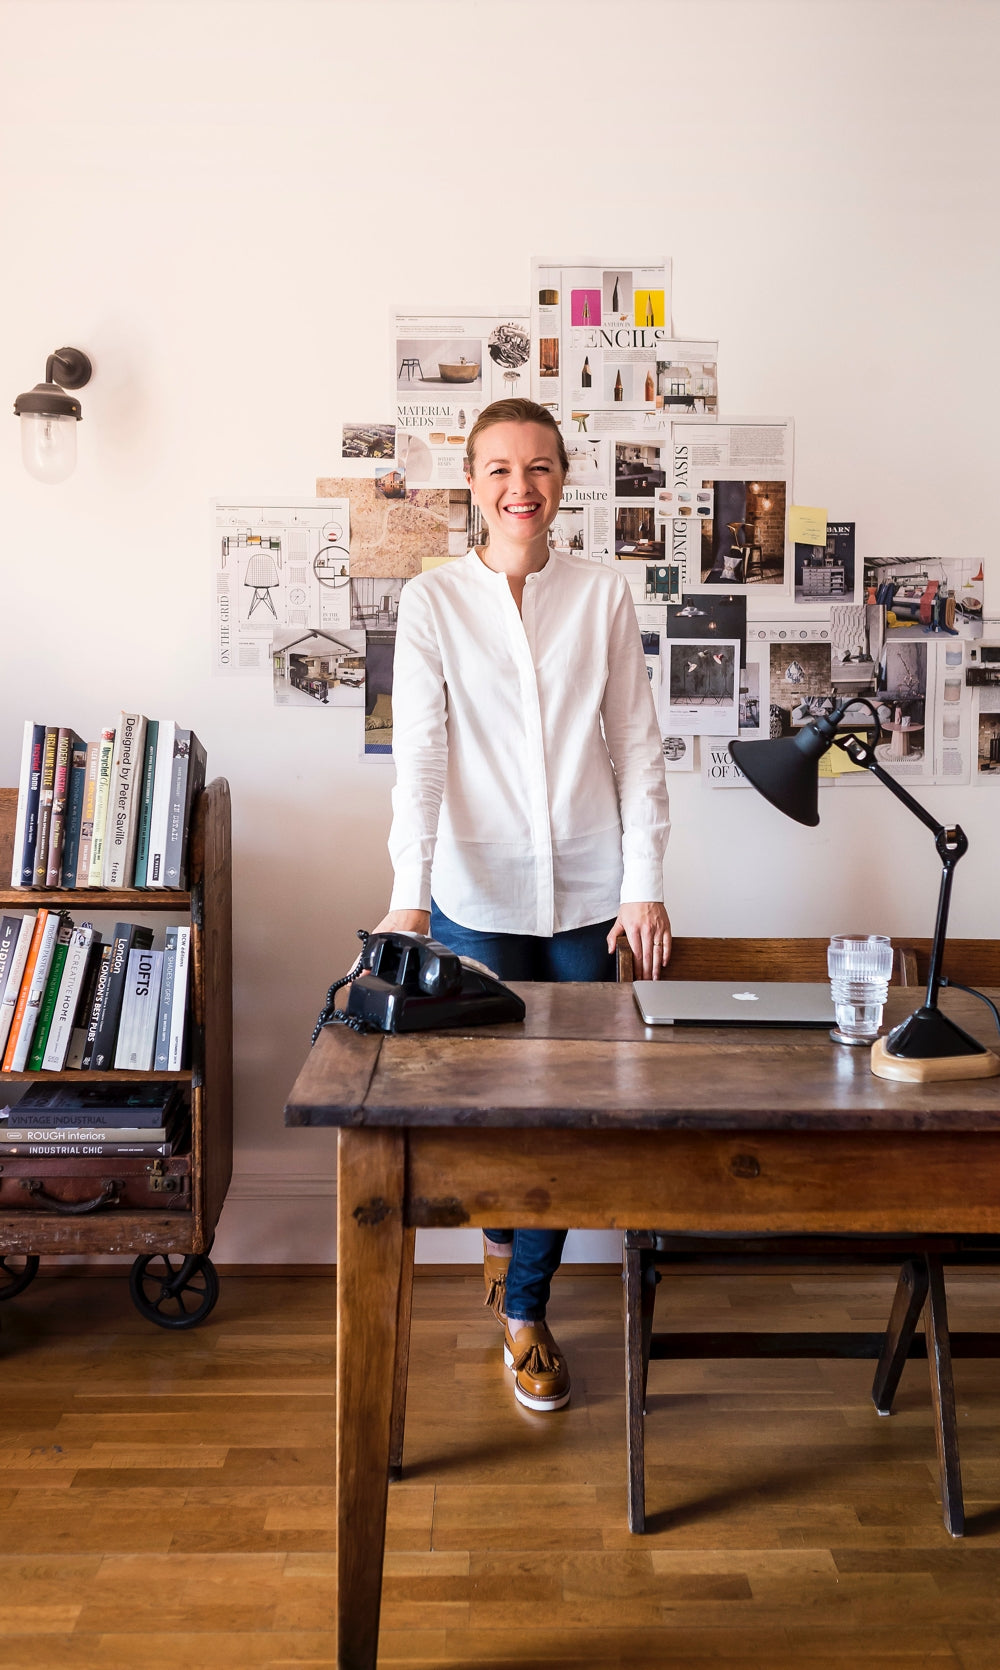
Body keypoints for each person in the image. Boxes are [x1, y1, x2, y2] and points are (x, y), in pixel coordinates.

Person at [373, 397, 671, 1412]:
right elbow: (417, 757)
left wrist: (644, 882)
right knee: (493, 1110)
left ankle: (523, 1310)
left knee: (567, 1115)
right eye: (499, 467)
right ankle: (507, 1244)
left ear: (562, 478)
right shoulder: (432, 603)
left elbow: (635, 744)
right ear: (471, 480)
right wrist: (408, 897)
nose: (520, 487)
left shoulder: (602, 595)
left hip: (589, 894)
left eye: (538, 466)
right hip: (472, 891)